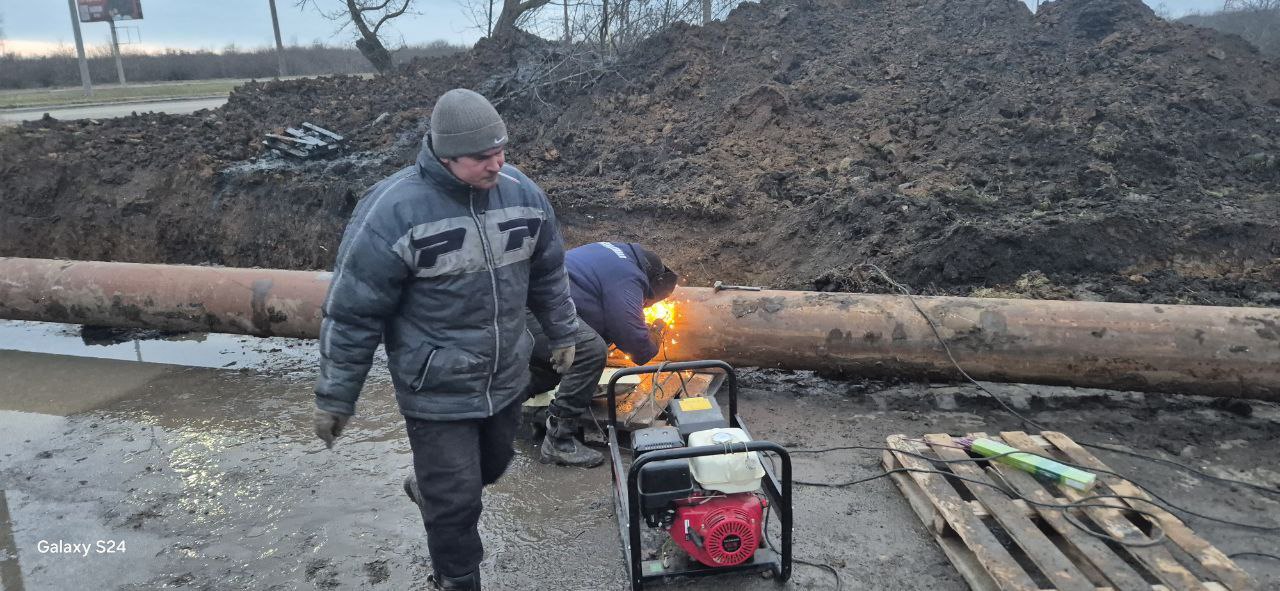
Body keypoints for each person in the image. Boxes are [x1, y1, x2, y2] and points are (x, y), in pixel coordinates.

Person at [311, 88, 579, 591]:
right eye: (483, 157)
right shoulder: (393, 212)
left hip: (505, 376)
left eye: (501, 151)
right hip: (436, 387)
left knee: (492, 467)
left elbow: (548, 273)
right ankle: (457, 578)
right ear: (446, 155)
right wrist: (336, 397)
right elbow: (352, 313)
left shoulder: (522, 194)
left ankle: (429, 489)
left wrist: (564, 331)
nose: (498, 164)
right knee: (458, 500)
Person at [525, 241, 679, 468]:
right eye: (645, 301)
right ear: (651, 282)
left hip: (519, 302)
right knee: (590, 351)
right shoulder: (629, 275)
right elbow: (635, 343)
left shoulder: (615, 254)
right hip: (535, 307)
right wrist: (654, 336)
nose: (644, 305)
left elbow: (589, 300)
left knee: (549, 370)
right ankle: (559, 441)